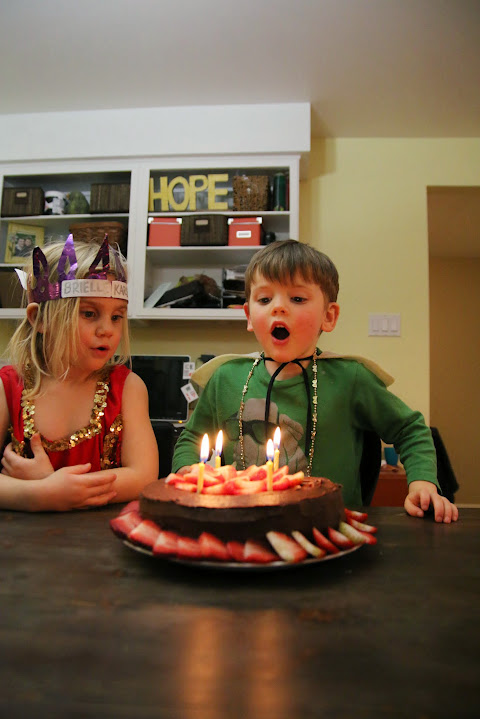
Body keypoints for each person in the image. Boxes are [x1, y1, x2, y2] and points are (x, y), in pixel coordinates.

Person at [172, 239, 458, 523]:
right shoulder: (225, 377)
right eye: (264, 299)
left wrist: (422, 484)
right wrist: (187, 471)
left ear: (328, 316)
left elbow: (410, 430)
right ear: (248, 315)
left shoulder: (351, 378)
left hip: (331, 530)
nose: (278, 308)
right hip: (242, 527)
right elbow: (192, 437)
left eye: (297, 299)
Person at [0, 235, 158, 511]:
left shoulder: (128, 388)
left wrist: (51, 483)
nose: (107, 330)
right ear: (40, 319)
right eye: (89, 314)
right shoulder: (7, 387)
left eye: (116, 317)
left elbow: (143, 477)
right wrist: (41, 493)